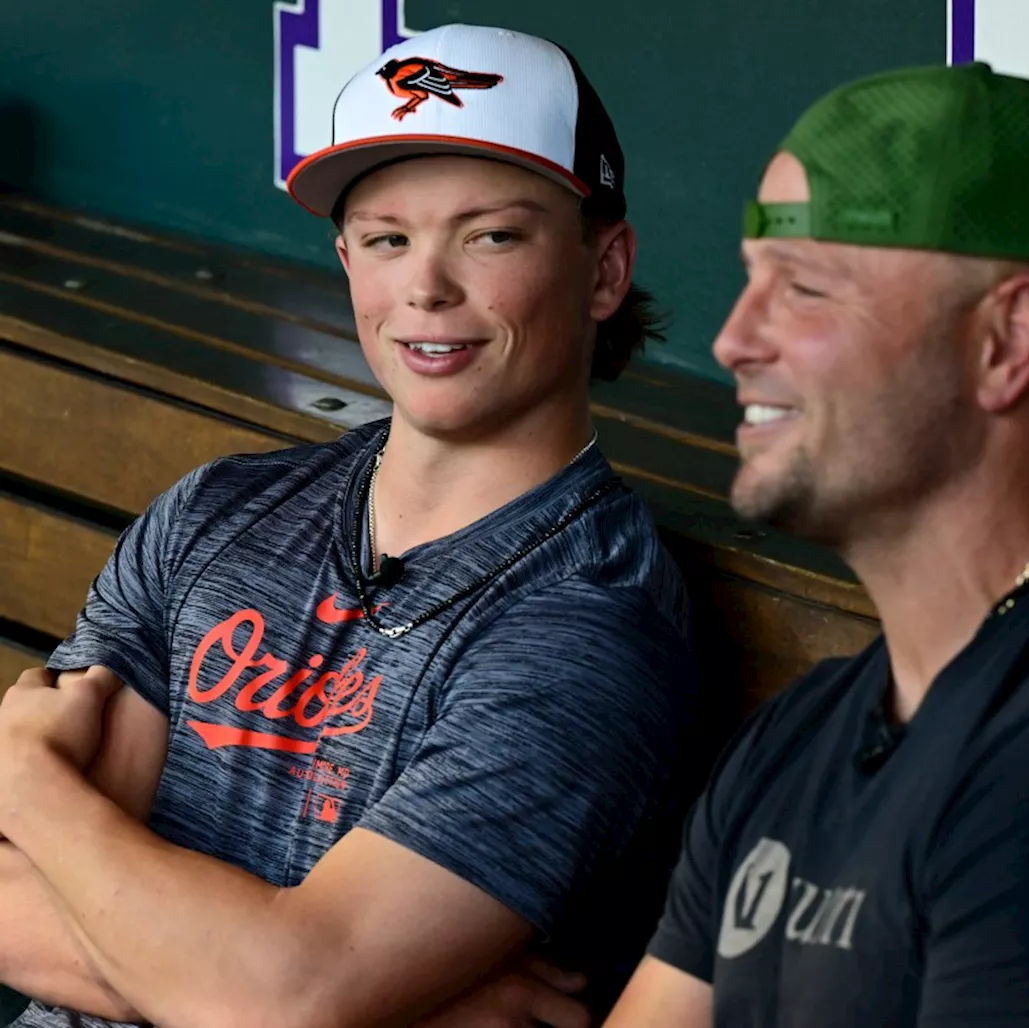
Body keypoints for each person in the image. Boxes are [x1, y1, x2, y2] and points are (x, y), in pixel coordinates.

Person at [0, 23, 701, 1028]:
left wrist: (20, 776)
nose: (426, 286)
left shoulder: (586, 624)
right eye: (387, 238)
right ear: (345, 259)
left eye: (490, 234)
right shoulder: (219, 511)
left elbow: (286, 991)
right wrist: (386, 1008)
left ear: (603, 270)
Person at [600, 63, 1029, 1026]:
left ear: (1007, 341)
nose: (733, 339)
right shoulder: (805, 733)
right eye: (754, 284)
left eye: (804, 288)